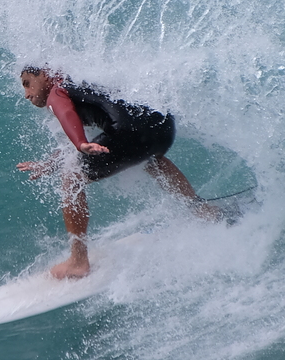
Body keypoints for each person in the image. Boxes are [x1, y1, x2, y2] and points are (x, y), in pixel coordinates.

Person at [17, 66, 217, 279]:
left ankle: (77, 262)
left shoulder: (57, 90)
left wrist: (80, 142)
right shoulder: (87, 82)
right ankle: (202, 210)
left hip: (130, 131)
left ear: (46, 74)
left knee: (72, 177)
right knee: (150, 159)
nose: (26, 94)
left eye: (27, 83)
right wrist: (51, 162)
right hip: (162, 126)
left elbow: (64, 111)